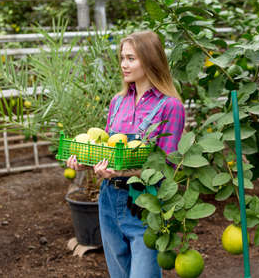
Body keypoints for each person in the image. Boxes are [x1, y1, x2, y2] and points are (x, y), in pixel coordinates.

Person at [66, 30, 185, 278]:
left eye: (131, 58)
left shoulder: (169, 106)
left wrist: (125, 172)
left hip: (144, 203)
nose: (123, 64)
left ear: (150, 59)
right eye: (122, 58)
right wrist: (86, 163)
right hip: (109, 199)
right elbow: (109, 153)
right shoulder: (117, 102)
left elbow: (167, 167)